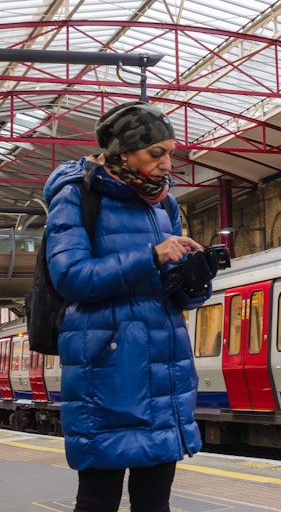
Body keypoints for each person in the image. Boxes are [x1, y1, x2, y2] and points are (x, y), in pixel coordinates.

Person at [44, 100, 212, 512]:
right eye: (156, 153)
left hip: (165, 367)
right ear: (122, 153)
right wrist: (151, 256)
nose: (166, 164)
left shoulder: (165, 203)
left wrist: (195, 280)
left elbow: (173, 292)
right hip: (108, 369)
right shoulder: (78, 195)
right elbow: (71, 277)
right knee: (98, 501)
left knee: (155, 502)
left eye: (170, 153)